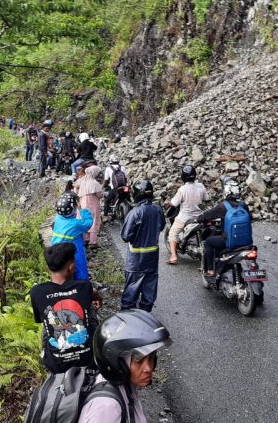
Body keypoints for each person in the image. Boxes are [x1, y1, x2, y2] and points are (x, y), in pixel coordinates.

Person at [79, 310, 171, 423]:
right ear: (117, 363)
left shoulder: (123, 383)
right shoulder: (107, 408)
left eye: (151, 358)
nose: (148, 369)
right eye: (139, 360)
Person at [29, 242, 102, 374]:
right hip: (88, 360)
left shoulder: (36, 292)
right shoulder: (85, 286)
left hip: (56, 366)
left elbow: (42, 320)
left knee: (46, 325)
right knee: (89, 313)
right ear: (71, 266)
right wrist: (97, 298)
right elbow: (95, 293)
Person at [120, 180, 165, 311]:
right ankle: (145, 315)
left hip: (136, 260)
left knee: (131, 289)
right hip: (152, 259)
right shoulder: (157, 210)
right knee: (149, 288)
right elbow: (161, 226)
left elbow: (125, 236)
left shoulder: (135, 212)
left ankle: (128, 316)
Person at [196, 176, 253, 277]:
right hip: (246, 242)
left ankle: (210, 270)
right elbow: (250, 219)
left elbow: (206, 216)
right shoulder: (243, 205)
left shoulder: (223, 206)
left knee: (208, 242)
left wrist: (198, 219)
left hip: (228, 242)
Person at [166, 165, 208, 265]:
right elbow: (207, 199)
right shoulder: (201, 186)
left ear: (183, 177)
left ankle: (173, 256)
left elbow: (174, 203)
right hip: (199, 216)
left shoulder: (182, 189)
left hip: (185, 217)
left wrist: (168, 202)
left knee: (172, 233)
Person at [51, 192, 94, 281]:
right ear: (73, 210)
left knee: (63, 271)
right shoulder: (75, 224)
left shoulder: (58, 218)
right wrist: (82, 210)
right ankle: (82, 287)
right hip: (73, 249)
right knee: (80, 268)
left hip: (56, 249)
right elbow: (88, 223)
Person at [76, 165, 104, 248]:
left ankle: (85, 239)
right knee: (94, 221)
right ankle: (93, 242)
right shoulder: (94, 182)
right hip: (93, 204)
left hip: (83, 203)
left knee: (85, 219)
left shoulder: (82, 181)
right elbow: (100, 195)